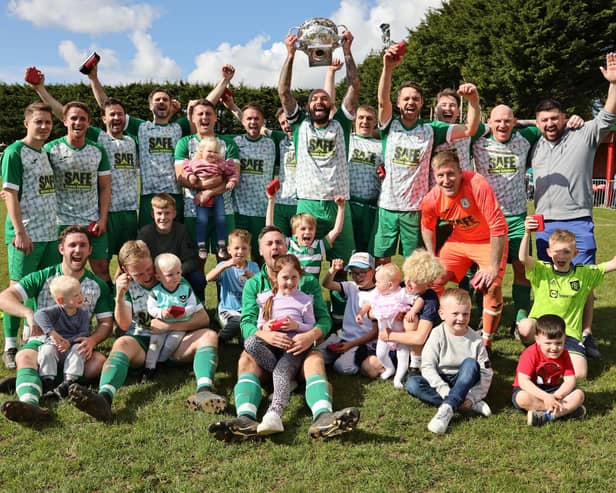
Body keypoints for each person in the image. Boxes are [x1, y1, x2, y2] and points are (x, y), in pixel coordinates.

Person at [208, 226, 360, 442]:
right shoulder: (254, 283)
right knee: (245, 356)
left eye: (279, 242)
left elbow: (324, 319)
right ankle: (246, 419)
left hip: (297, 349)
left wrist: (311, 335)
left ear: (286, 247)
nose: (275, 247)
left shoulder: (306, 282)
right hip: (266, 353)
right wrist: (264, 335)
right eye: (269, 244)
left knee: (314, 358)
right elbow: (247, 323)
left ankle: (324, 417)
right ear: (260, 251)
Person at [68, 240, 226, 421]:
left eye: (149, 269)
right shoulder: (128, 288)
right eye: (138, 273)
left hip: (176, 341)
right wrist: (119, 296)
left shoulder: (172, 277)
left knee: (209, 335)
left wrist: (168, 326)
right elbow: (125, 325)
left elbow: (203, 319)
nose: (146, 276)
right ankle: (104, 398)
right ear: (126, 272)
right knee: (121, 343)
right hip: (142, 344)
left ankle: (204, 391)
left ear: (152, 261)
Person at [531, 52, 616, 356]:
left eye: (555, 118)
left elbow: (607, 115)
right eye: (544, 120)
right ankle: (547, 334)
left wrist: (614, 84)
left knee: (583, 278)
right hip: (544, 224)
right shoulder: (535, 143)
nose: (550, 124)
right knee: (546, 281)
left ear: (565, 118)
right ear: (538, 123)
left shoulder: (583, 134)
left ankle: (586, 333)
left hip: (577, 220)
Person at [374, 44, 482, 264]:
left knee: (414, 261)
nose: (410, 102)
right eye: (406, 99)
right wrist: (388, 68)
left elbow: (470, 129)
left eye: (415, 99)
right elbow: (382, 101)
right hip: (387, 205)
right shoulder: (389, 125)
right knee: (381, 259)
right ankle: (382, 297)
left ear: (422, 103)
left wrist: (473, 101)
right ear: (398, 103)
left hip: (415, 209)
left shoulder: (431, 129)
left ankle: (411, 298)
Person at [0, 225, 113, 423]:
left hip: (76, 345)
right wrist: (28, 313)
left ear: (90, 250)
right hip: (43, 342)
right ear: (62, 249)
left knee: (99, 363)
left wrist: (93, 340)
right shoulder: (44, 276)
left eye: (82, 245)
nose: (77, 250)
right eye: (72, 245)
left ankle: (36, 380)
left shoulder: (97, 284)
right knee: (24, 355)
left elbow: (106, 323)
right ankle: (30, 404)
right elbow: (4, 298)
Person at [29, 71, 140, 268]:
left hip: (130, 211)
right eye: (111, 115)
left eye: (120, 114)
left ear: (126, 118)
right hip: (103, 212)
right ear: (103, 120)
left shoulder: (135, 140)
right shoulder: (99, 139)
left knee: (127, 263)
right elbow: (66, 113)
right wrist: (41, 90)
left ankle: (122, 298)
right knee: (93, 265)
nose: (116, 118)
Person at [278, 31, 359, 261]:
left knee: (343, 265)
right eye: (314, 99)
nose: (320, 101)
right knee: (302, 266)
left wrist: (347, 51)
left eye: (324, 98)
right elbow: (283, 92)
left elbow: (354, 85)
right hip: (307, 203)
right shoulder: (299, 125)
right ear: (307, 107)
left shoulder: (340, 125)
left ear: (331, 104)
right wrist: (290, 55)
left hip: (338, 204)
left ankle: (343, 298)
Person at [421, 150, 508, 349]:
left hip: (489, 240)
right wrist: (432, 256)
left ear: (461, 171)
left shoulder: (477, 183)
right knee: (434, 279)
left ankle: (486, 341)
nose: (446, 180)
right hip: (459, 240)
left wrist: (493, 267)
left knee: (492, 286)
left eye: (451, 173)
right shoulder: (432, 199)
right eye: (440, 176)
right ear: (434, 177)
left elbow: (497, 226)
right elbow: (427, 226)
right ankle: (440, 328)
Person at [87, 64, 191, 227]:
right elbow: (108, 107)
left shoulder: (178, 127)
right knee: (146, 244)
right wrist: (94, 79)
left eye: (165, 99)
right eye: (157, 99)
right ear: (150, 106)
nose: (161, 102)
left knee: (175, 243)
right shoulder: (141, 127)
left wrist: (223, 81)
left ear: (171, 105)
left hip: (174, 193)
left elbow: (203, 110)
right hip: (147, 195)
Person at [517, 222, 616, 378]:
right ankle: (535, 347)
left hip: (567, 333)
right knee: (524, 325)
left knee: (580, 374)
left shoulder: (584, 274)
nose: (561, 256)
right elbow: (522, 257)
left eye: (566, 252)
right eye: (557, 252)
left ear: (575, 253)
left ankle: (549, 361)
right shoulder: (541, 270)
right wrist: (527, 232)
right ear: (549, 252)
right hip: (541, 328)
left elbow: (613, 264)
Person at [473, 105, 540, 332]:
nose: (502, 125)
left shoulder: (525, 137)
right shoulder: (478, 140)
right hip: (488, 220)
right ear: (489, 122)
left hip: (517, 218)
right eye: (497, 121)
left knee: (522, 269)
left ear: (515, 122)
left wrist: (522, 123)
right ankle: (483, 315)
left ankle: (520, 318)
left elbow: (543, 123)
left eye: (508, 121)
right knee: (485, 272)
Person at [1, 101, 58, 369]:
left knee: (43, 289)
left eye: (48, 122)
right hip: (25, 234)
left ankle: (32, 336)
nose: (44, 127)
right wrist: (20, 231)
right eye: (39, 122)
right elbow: (9, 193)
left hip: (49, 233)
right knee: (17, 290)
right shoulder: (14, 152)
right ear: (27, 123)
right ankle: (10, 345)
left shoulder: (45, 152)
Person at [243, 254, 316, 435]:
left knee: (281, 370)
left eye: (294, 278)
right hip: (272, 348)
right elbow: (260, 324)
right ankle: (286, 380)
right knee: (250, 342)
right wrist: (266, 327)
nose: (290, 282)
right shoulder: (267, 298)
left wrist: (296, 325)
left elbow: (311, 325)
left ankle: (274, 414)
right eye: (285, 277)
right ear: (275, 277)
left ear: (300, 277)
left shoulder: (304, 300)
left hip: (294, 347)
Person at [406, 288, 493, 434]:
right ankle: (458, 403)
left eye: (466, 314)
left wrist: (473, 397)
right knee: (412, 384)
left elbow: (486, 372)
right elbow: (427, 366)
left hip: (465, 381)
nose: (461, 318)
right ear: (442, 314)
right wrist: (444, 389)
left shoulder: (476, 339)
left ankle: (447, 409)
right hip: (442, 380)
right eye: (455, 314)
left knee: (471, 364)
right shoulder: (437, 334)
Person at [44, 102, 112, 284]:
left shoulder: (98, 151)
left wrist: (103, 219)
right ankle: (59, 310)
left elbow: (105, 187)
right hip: (61, 221)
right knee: (58, 272)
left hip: (91, 221)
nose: (78, 122)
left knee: (102, 269)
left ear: (88, 123)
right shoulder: (50, 149)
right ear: (65, 121)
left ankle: (109, 311)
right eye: (73, 118)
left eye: (83, 119)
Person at [174, 90, 240, 261]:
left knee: (227, 261)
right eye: (200, 114)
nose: (205, 117)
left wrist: (208, 193)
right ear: (193, 118)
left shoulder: (228, 143)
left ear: (215, 118)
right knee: (196, 262)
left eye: (209, 113)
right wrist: (209, 184)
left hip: (224, 209)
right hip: (193, 210)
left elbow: (234, 177)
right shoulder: (184, 143)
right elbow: (181, 178)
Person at [512, 314, 586, 426]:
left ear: (564, 339)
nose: (554, 348)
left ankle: (547, 416)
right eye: (548, 343)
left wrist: (556, 396)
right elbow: (523, 382)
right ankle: (565, 411)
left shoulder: (565, 354)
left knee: (579, 394)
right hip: (531, 391)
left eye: (558, 343)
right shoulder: (530, 353)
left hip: (553, 390)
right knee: (522, 398)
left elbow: (570, 380)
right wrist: (546, 397)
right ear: (537, 340)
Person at [319, 252, 382, 378]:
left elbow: (375, 332)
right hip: (344, 336)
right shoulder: (351, 287)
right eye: (353, 272)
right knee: (317, 355)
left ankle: (366, 356)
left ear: (373, 271)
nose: (358, 277)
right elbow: (326, 284)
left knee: (342, 367)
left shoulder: (379, 294)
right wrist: (332, 270)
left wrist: (351, 345)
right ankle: (342, 352)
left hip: (363, 342)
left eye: (362, 272)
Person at [356, 263, 418, 388]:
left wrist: (412, 311)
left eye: (378, 282)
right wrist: (361, 313)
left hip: (400, 335)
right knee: (381, 354)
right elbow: (368, 304)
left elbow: (417, 300)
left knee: (403, 357)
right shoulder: (376, 294)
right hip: (383, 335)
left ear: (390, 285)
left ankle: (399, 378)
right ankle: (390, 368)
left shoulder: (401, 294)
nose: (376, 284)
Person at [144, 253, 203, 381]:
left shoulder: (185, 289)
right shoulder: (156, 292)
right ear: (158, 277)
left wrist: (185, 312)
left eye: (178, 273)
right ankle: (149, 369)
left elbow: (192, 305)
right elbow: (151, 308)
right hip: (161, 324)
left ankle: (160, 363)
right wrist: (161, 313)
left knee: (172, 343)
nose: (176, 277)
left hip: (179, 326)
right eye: (170, 275)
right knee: (154, 345)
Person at [137, 193, 206, 301]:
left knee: (198, 278)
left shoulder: (181, 230)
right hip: (154, 275)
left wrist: (173, 274)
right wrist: (159, 275)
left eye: (167, 213)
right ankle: (145, 306)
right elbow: (140, 260)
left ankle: (199, 305)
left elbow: (190, 260)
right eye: (159, 213)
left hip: (178, 274)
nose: (163, 217)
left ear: (174, 214)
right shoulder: (145, 234)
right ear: (152, 214)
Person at [33, 275, 90, 399]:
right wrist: (52, 333)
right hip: (56, 347)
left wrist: (69, 342)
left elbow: (84, 333)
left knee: (79, 349)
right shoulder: (56, 311)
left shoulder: (83, 314)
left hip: (71, 347)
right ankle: (48, 382)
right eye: (75, 296)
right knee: (46, 350)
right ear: (61, 301)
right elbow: (38, 315)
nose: (81, 297)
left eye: (80, 293)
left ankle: (69, 382)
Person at [183, 136, 239, 259]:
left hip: (217, 195)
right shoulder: (196, 163)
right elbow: (186, 170)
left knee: (220, 219)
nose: (212, 154)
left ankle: (221, 245)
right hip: (201, 196)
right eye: (209, 151)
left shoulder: (221, 164)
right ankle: (201, 245)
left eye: (215, 152)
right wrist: (191, 177)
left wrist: (232, 181)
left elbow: (232, 173)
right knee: (202, 220)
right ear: (202, 151)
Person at [266, 194, 346, 278]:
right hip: (292, 289)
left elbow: (337, 230)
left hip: (311, 290)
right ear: (294, 232)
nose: (307, 232)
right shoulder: (288, 245)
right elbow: (270, 230)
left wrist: (341, 208)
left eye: (311, 229)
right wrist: (271, 201)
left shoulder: (318, 246)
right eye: (303, 229)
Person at [206, 229, 260, 343]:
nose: (240, 252)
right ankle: (219, 338)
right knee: (238, 322)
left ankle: (243, 339)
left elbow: (261, 289)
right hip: (229, 310)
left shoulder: (253, 266)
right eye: (236, 248)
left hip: (248, 309)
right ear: (229, 250)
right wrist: (225, 265)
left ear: (249, 250)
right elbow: (208, 278)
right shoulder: (224, 266)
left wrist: (253, 278)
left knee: (253, 327)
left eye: (244, 248)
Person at [400, 248, 445, 375]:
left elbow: (420, 337)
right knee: (370, 369)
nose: (408, 283)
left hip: (424, 345)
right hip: (400, 343)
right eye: (408, 277)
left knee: (410, 319)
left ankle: (415, 364)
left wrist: (388, 336)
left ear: (429, 284)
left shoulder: (430, 299)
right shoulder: (401, 286)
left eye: (415, 281)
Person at [347, 104, 383, 253]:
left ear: (375, 122)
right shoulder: (346, 140)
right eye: (361, 118)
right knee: (345, 252)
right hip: (349, 204)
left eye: (369, 118)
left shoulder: (382, 145)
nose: (365, 122)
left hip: (370, 206)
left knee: (367, 253)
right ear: (354, 120)